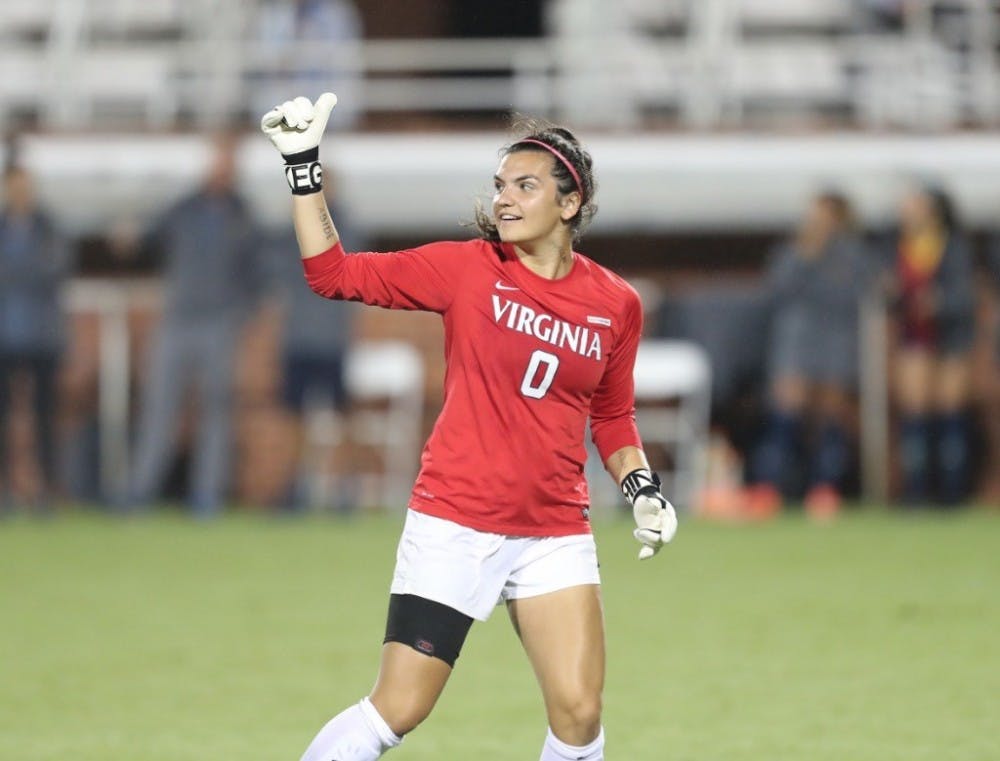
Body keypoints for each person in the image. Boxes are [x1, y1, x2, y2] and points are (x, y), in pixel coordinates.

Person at [261, 93, 677, 761]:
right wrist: (304, 167)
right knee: (398, 708)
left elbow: (611, 413)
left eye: (525, 185)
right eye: (500, 185)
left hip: (553, 528)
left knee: (579, 711)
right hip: (456, 519)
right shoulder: (468, 270)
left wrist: (643, 489)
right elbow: (331, 274)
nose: (505, 199)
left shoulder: (616, 303)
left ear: (569, 204)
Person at [124, 134, 267, 517]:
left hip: (219, 325)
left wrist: (242, 315)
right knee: (159, 406)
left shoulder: (244, 215)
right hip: (177, 320)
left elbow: (260, 275)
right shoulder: (183, 208)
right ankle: (141, 491)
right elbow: (148, 241)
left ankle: (207, 496)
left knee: (216, 410)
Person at [747, 191, 869, 519]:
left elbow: (852, 296)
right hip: (796, 343)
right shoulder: (792, 252)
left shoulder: (854, 256)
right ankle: (767, 488)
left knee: (830, 417)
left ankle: (824, 489)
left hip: (836, 343)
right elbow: (777, 291)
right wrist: (807, 255)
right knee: (785, 414)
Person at [268, 182, 365, 512]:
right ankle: (294, 489)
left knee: (340, 419)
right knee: (295, 421)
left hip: (331, 339)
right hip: (299, 337)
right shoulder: (292, 229)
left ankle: (345, 491)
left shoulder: (344, 227)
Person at [884, 184, 975, 506]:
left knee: (951, 410)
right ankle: (917, 491)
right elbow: (888, 293)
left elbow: (965, 295)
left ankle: (954, 491)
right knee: (915, 413)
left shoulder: (952, 246)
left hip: (950, 338)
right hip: (915, 338)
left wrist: (941, 302)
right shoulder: (899, 246)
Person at [0, 164, 72, 513]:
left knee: (45, 419)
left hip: (43, 337)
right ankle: (6, 492)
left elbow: (56, 270)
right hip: (5, 336)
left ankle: (44, 491)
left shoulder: (48, 227)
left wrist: (14, 271)